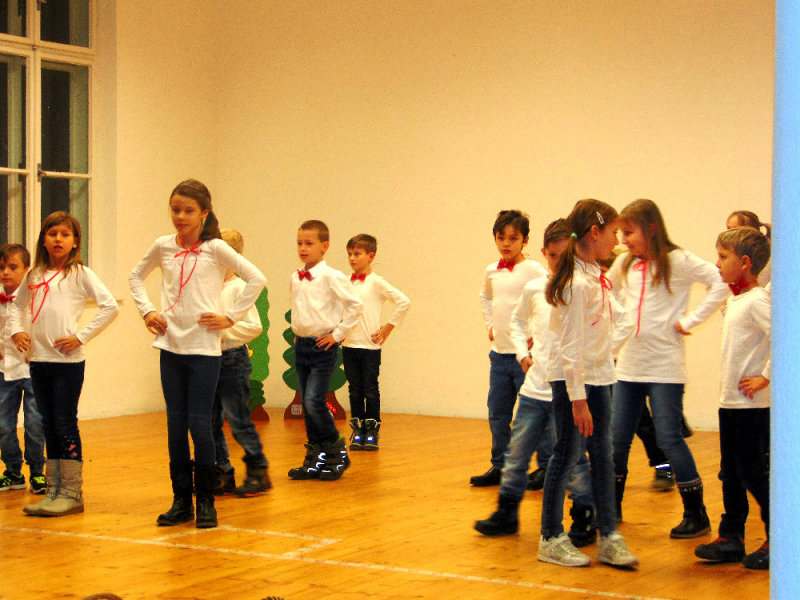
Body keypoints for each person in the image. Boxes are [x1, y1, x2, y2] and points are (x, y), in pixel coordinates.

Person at [129, 180, 266, 528]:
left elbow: (256, 278)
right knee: (176, 426)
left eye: (188, 210)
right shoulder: (163, 246)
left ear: (204, 213)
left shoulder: (216, 248)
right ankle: (181, 501)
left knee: (201, 425)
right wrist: (147, 311)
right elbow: (135, 276)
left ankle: (206, 501)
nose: (180, 216)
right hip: (170, 349)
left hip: (204, 352)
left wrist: (230, 317)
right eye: (175, 210)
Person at [607, 199, 729, 537]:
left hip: (665, 368)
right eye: (620, 233)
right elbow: (604, 289)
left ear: (651, 229)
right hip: (629, 367)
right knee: (617, 439)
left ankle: (696, 514)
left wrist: (691, 320)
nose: (623, 240)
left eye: (629, 232)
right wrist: (620, 319)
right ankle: (610, 508)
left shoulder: (678, 260)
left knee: (669, 438)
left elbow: (719, 282)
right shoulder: (624, 263)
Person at [474, 219, 596, 547]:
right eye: (553, 255)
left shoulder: (584, 290)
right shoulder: (535, 288)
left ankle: (584, 513)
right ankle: (506, 512)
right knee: (515, 454)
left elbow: (608, 328)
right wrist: (521, 352)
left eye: (565, 256)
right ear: (544, 252)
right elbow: (516, 322)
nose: (557, 262)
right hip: (534, 389)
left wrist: (593, 368)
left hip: (565, 390)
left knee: (572, 457)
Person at [538, 199, 638, 568]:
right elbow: (570, 347)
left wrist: (604, 356)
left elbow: (614, 325)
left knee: (603, 455)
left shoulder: (596, 276)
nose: (617, 240)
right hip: (573, 383)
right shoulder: (575, 284)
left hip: (599, 377)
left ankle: (608, 535)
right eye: (613, 232)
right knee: (566, 454)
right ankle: (550, 537)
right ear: (595, 232)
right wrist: (578, 399)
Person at [9, 212, 119, 517]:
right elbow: (17, 307)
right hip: (39, 361)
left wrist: (80, 337)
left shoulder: (80, 274)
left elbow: (110, 307)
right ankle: (54, 489)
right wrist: (17, 330)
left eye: (65, 234)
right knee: (48, 424)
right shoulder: (34, 275)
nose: (58, 239)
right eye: (52, 233)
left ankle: (71, 492)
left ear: (75, 242)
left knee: (64, 423)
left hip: (67, 364)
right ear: (44, 240)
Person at [695, 226, 771, 570]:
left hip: (751, 407)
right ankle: (731, 537)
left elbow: (788, 335)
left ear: (745, 263)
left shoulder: (757, 301)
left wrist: (765, 376)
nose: (717, 263)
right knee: (730, 473)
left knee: (754, 473)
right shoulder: (735, 299)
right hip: (730, 403)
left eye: (723, 257)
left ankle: (781, 536)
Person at [472, 210, 549, 487]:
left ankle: (545, 467)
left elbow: (549, 301)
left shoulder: (535, 271)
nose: (506, 243)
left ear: (525, 240)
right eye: (500, 237)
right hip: (499, 355)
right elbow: (485, 297)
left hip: (525, 358)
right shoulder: (491, 271)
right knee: (497, 413)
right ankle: (500, 465)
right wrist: (490, 324)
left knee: (534, 414)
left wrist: (536, 334)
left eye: (513, 238)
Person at [288, 220, 362, 481]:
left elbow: (355, 305)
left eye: (309, 243)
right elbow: (301, 309)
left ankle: (336, 450)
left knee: (313, 401)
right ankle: (315, 457)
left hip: (323, 347)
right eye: (299, 243)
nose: (303, 248)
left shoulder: (332, 276)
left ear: (325, 246)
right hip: (302, 347)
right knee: (306, 405)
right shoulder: (296, 277)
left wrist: (337, 334)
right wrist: (299, 332)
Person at [211, 229, 270, 497]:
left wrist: (223, 330)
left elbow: (254, 327)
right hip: (209, 360)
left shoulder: (239, 288)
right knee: (210, 420)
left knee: (237, 420)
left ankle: (258, 471)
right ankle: (221, 471)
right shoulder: (208, 289)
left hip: (232, 360)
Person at [342, 234, 410, 451]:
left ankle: (372, 431)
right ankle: (358, 430)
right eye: (350, 254)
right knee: (354, 390)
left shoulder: (376, 283)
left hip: (370, 347)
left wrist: (387, 327)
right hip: (349, 345)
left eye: (357, 254)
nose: (352, 258)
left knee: (370, 389)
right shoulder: (344, 282)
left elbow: (404, 302)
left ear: (370, 256)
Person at [0, 244, 45, 495]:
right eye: (1, 267)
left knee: (35, 424)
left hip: (32, 371)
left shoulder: (34, 299)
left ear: (27, 270)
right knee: (3, 425)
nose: (6, 272)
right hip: (4, 371)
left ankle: (37, 470)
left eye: (12, 267)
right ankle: (13, 471)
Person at [725, 210, 771, 286]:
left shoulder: (763, 258)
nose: (729, 234)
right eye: (729, 229)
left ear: (751, 231)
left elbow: (759, 287)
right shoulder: (734, 256)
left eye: (735, 229)